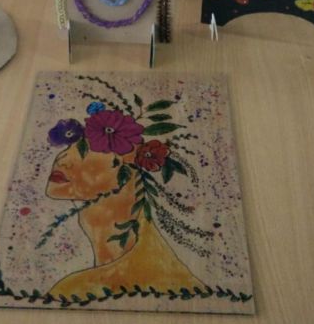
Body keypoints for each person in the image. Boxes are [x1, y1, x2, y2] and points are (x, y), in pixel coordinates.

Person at [43, 100, 208, 298]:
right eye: (69, 147)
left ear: (128, 168)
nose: (62, 160)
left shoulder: (74, 292)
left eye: (86, 150)